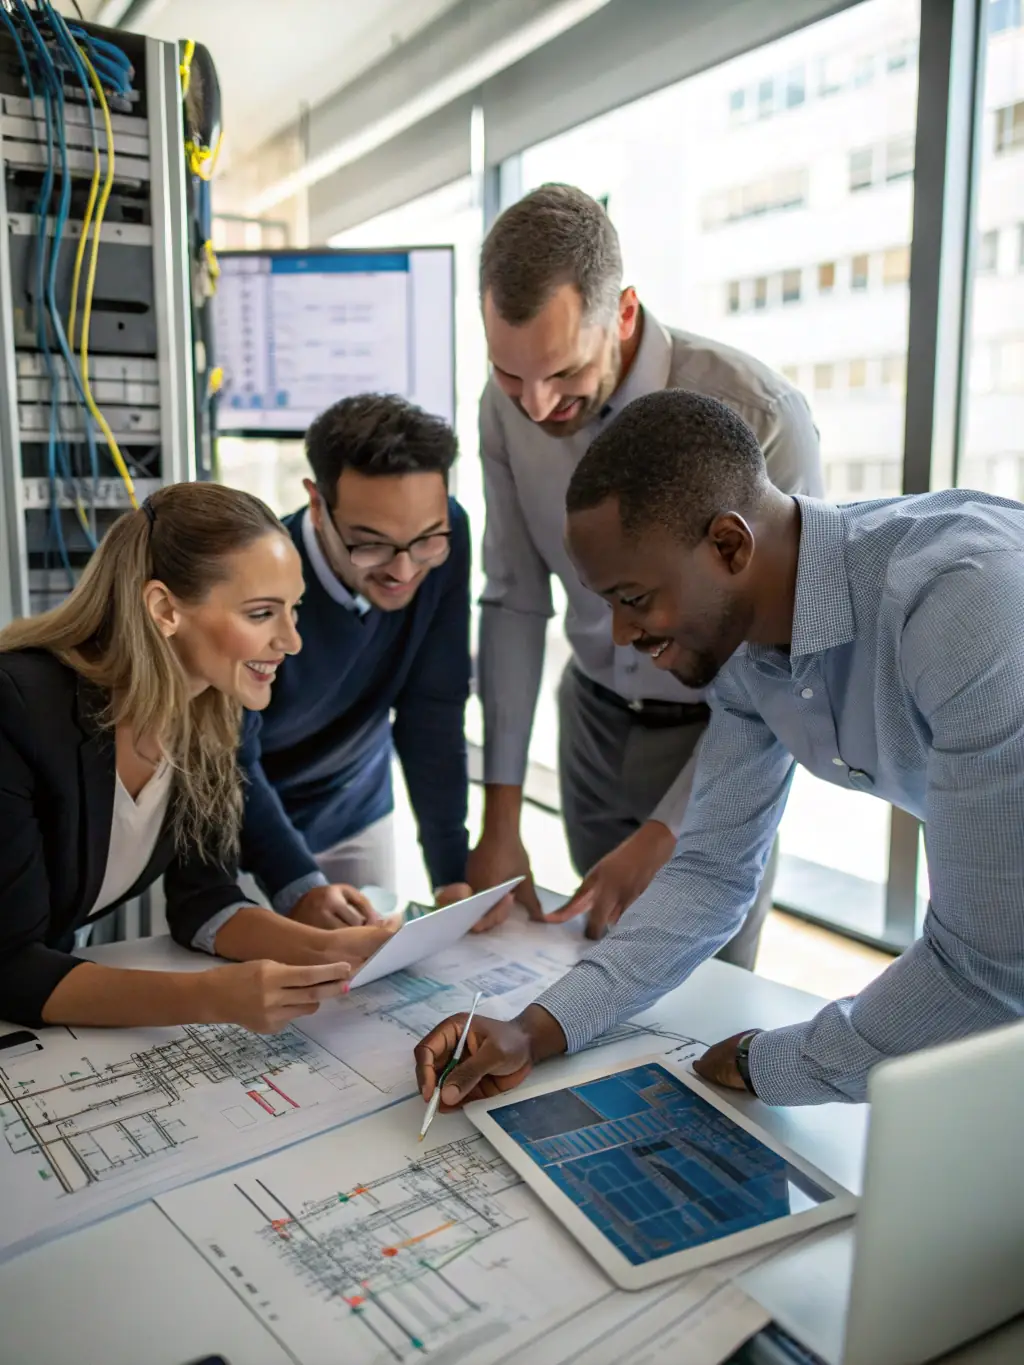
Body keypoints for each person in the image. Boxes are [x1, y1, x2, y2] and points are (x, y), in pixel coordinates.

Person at [415, 389, 1024, 1110]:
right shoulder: (741, 645)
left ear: (729, 545)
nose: (618, 635)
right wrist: (535, 1029)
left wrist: (774, 1062)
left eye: (634, 598)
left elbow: (988, 964)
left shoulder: (970, 605)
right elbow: (710, 871)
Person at [466, 183, 823, 958]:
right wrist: (501, 820)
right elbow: (514, 601)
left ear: (623, 313)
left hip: (721, 732)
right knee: (598, 967)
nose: (534, 405)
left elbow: (790, 657)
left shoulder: (760, 414)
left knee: (708, 1001)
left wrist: (672, 827)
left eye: (562, 372)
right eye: (508, 374)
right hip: (591, 727)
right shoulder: (505, 411)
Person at [0, 482, 393, 1031]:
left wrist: (331, 950)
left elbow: (204, 898)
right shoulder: (17, 707)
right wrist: (213, 997)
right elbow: (11, 966)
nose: (292, 641)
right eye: (261, 614)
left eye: (293, 610)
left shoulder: (217, 712)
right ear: (164, 609)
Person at [237, 394, 473, 930]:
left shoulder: (447, 538)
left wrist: (451, 871)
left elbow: (432, 707)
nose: (405, 570)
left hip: (356, 802)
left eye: (425, 541)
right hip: (247, 817)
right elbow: (231, 759)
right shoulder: (254, 579)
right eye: (372, 546)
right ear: (317, 506)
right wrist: (296, 883)